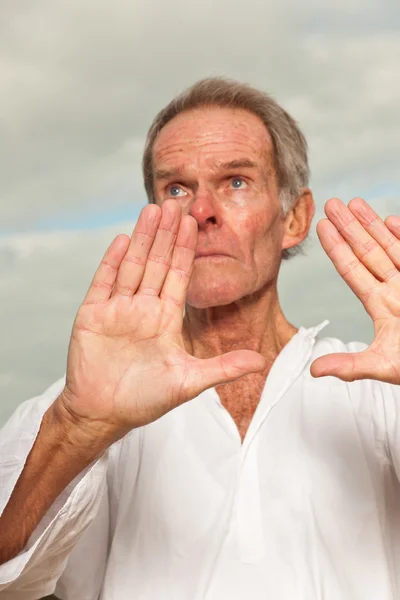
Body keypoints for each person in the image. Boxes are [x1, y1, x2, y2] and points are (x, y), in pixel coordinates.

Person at [0, 77, 400, 600]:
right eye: (177, 188)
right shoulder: (86, 402)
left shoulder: (379, 388)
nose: (201, 210)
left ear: (295, 217)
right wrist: (77, 429)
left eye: (236, 181)